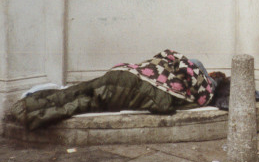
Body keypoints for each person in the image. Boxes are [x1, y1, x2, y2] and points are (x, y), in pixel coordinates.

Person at [12, 49, 219, 130]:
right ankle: (29, 114)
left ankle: (26, 103)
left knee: (75, 92)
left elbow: (162, 58)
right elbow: (165, 103)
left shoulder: (177, 68)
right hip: (129, 89)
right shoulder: (195, 88)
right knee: (79, 103)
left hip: (124, 73)